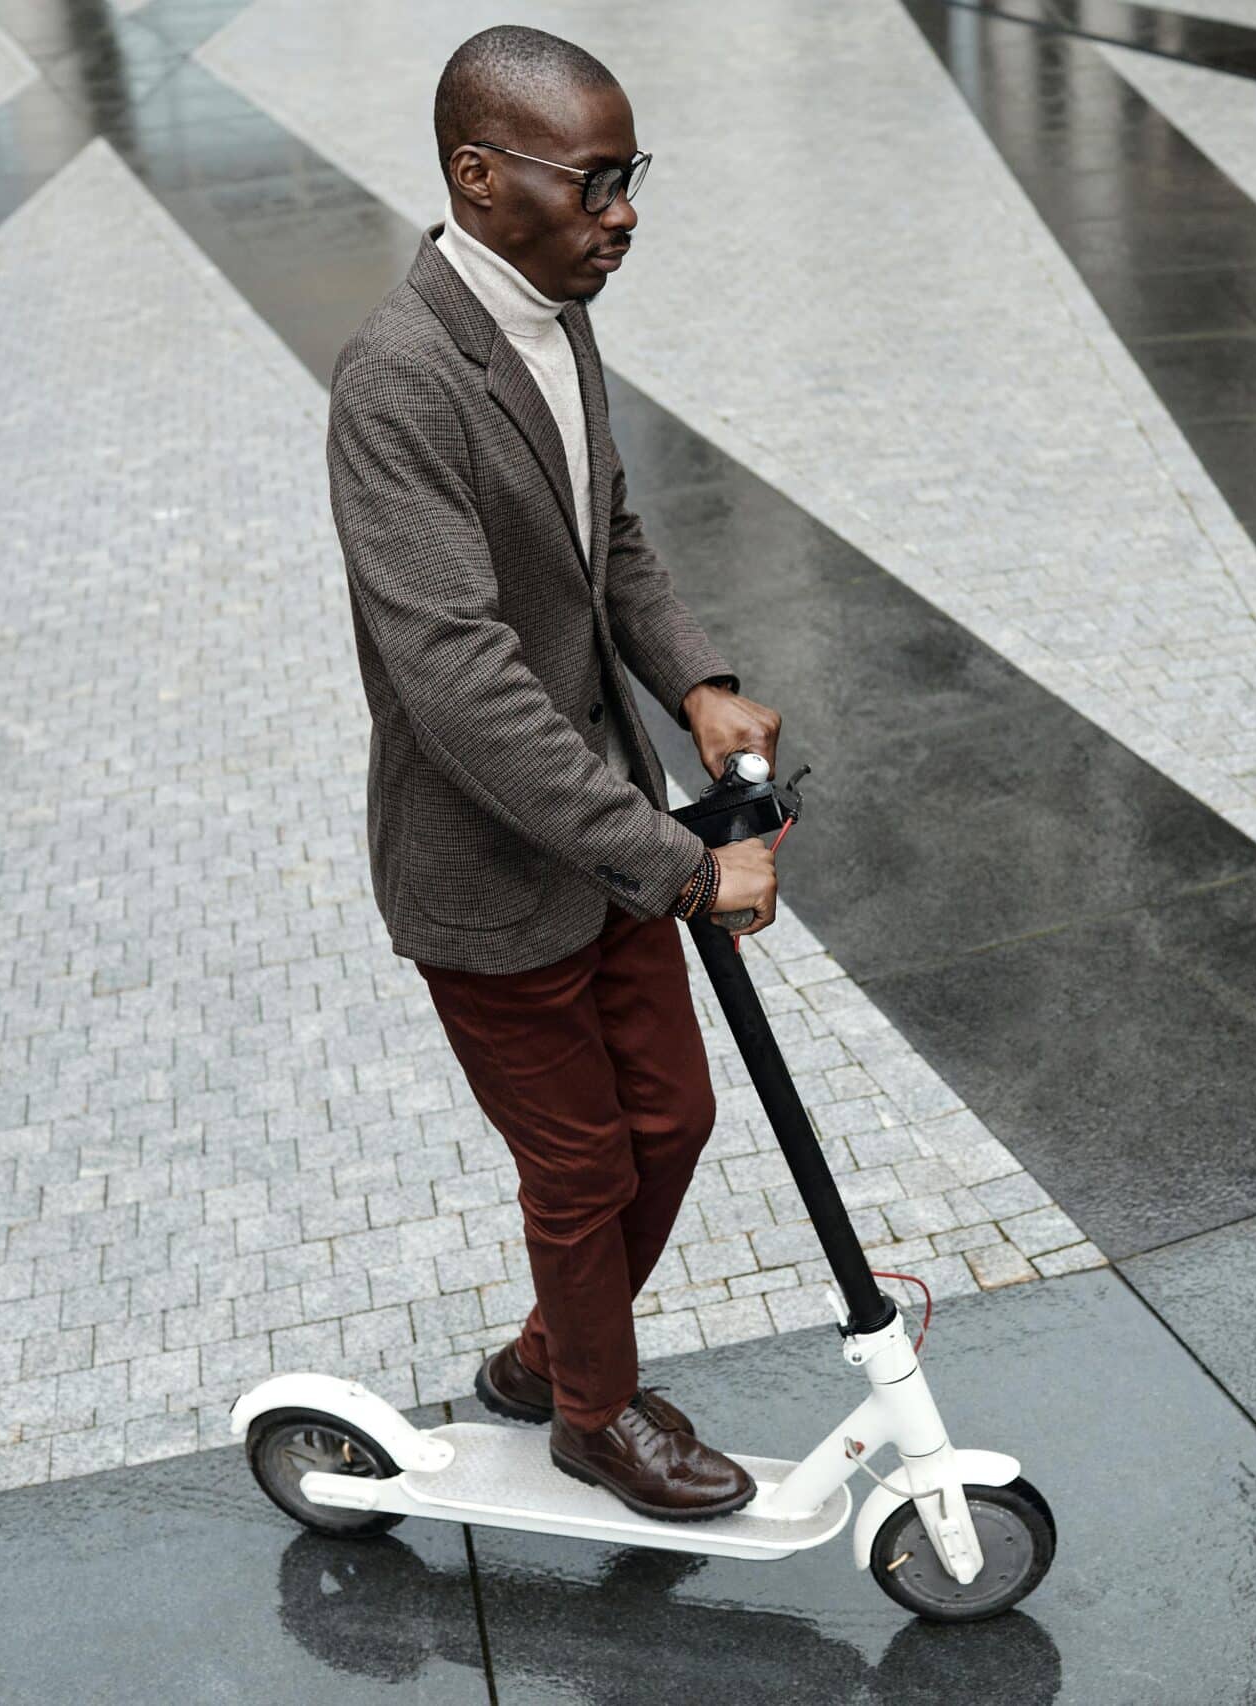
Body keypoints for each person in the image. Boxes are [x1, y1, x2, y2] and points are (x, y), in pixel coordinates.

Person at [324, 24, 783, 1521]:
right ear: (480, 176)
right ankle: (593, 1411)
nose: (625, 213)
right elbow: (459, 683)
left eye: (628, 178)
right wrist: (684, 865)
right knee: (581, 1168)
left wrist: (698, 683)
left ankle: (539, 1359)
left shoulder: (552, 306)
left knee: (679, 1120)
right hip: (491, 873)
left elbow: (611, 535)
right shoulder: (398, 383)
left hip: (600, 841)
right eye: (597, 184)